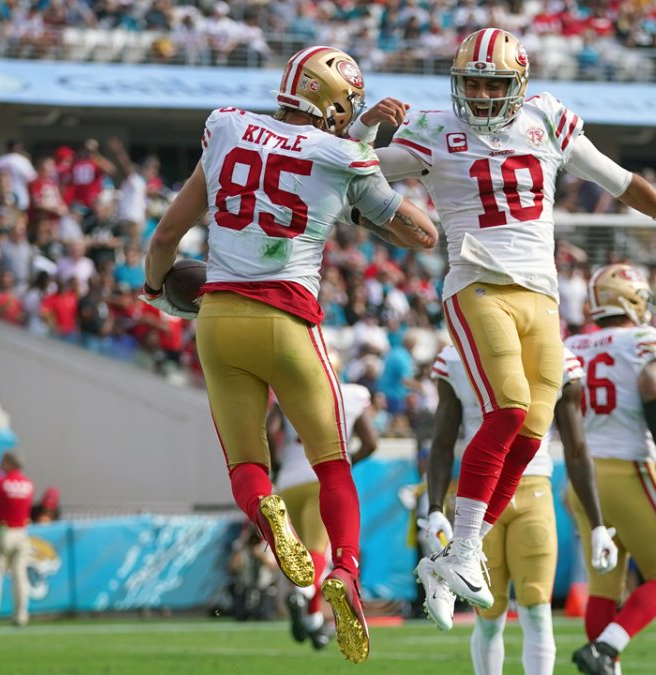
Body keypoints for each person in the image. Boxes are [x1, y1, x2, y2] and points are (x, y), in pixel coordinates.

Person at [372, 28, 656, 611]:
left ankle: (451, 560)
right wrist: (367, 127)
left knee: (532, 432)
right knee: (508, 406)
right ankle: (462, 549)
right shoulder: (434, 129)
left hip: (540, 297)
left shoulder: (545, 120)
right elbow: (355, 172)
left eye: (495, 83)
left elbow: (623, 183)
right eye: (474, 84)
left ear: (519, 85)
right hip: (477, 282)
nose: (485, 96)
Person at [138, 46, 437, 665]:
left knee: (249, 469)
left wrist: (154, 289)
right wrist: (356, 190)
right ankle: (347, 574)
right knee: (334, 467)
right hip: (287, 319)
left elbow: (167, 234)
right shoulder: (343, 153)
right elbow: (420, 232)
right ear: (333, 104)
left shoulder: (226, 128)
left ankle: (272, 520)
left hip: (217, 320)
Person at [418, 343, 614, 675]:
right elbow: (442, 442)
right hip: (478, 497)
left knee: (537, 608)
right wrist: (435, 507)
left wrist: (598, 525)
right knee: (489, 616)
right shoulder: (458, 354)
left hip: (531, 489)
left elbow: (577, 448)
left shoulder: (557, 356)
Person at [562, 264, 656, 675]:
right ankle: (606, 649)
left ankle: (605, 662)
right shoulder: (643, 340)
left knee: (605, 585)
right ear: (631, 298)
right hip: (629, 472)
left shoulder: (572, 345)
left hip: (582, 478)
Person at [271, 351, 378, 652]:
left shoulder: (288, 392)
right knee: (319, 552)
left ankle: (315, 621)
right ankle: (304, 595)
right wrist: (346, 464)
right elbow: (371, 442)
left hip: (289, 480)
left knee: (303, 556)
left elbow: (269, 430)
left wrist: (278, 467)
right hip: (323, 478)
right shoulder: (352, 394)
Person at [0, 452, 34, 627]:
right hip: (21, 531)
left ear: (9, 463)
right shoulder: (28, 484)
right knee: (19, 576)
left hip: (1, 530)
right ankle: (20, 616)